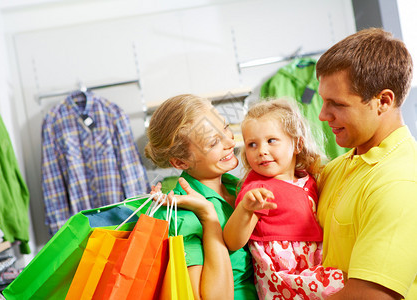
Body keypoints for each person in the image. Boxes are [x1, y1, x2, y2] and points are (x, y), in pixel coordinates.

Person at [316, 28, 417, 299]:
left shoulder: (401, 183)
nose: (323, 115)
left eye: (336, 104)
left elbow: (371, 296)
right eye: (323, 101)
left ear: (383, 101)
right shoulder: (338, 169)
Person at [223, 98, 344, 299]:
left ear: (297, 144)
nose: (261, 150)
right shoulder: (258, 190)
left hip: (313, 264)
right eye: (252, 144)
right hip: (284, 277)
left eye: (271, 141)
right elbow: (233, 241)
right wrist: (246, 209)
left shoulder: (308, 179)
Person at [144, 94, 258, 299]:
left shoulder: (237, 188)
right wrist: (208, 216)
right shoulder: (180, 216)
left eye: (225, 127)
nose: (229, 141)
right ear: (180, 162)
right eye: (213, 142)